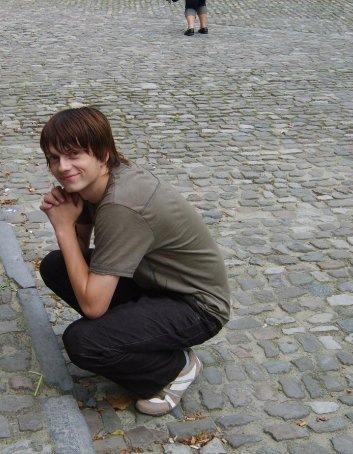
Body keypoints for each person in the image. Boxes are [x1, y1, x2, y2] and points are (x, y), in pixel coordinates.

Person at [38, 107, 230, 416]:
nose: (63, 167)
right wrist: (72, 217)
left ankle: (174, 368)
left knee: (83, 343)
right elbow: (80, 251)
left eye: (74, 154)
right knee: (55, 265)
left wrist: (62, 228)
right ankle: (140, 338)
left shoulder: (121, 204)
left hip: (198, 307)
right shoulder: (95, 183)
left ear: (103, 153)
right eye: (54, 158)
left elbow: (93, 306)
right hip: (153, 284)